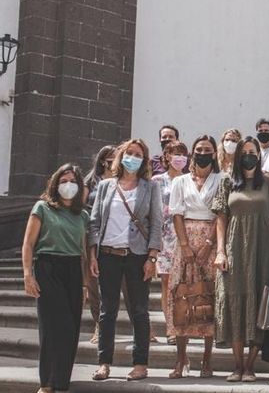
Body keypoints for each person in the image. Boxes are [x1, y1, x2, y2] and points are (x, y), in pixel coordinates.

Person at [212, 137, 269, 383]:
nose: (248, 156)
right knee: (233, 300)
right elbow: (221, 219)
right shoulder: (226, 182)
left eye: (252, 152)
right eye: (244, 152)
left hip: (264, 250)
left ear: (259, 154)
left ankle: (250, 366)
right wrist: (220, 251)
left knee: (261, 304)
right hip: (234, 248)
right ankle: (237, 365)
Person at [88, 139, 163, 382]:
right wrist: (92, 254)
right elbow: (95, 222)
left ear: (144, 159)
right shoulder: (106, 186)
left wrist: (152, 256)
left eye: (138, 154)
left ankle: (140, 363)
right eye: (129, 153)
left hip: (137, 256)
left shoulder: (149, 187)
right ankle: (104, 363)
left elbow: (156, 224)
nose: (133, 157)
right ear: (121, 157)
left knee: (140, 311)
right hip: (108, 255)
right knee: (107, 311)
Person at [22, 163, 90, 393]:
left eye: (72, 181)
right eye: (63, 181)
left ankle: (61, 381)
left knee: (71, 328)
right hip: (47, 267)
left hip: (72, 269)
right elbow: (28, 244)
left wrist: (84, 284)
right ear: (55, 183)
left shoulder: (82, 215)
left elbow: (82, 253)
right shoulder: (42, 208)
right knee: (53, 325)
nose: (68, 185)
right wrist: (27, 274)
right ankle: (47, 383)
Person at [166, 135, 222, 379]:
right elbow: (176, 214)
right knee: (182, 296)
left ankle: (207, 360)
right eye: (198, 149)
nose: (202, 152)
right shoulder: (180, 181)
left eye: (207, 149)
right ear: (192, 153)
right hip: (185, 240)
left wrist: (210, 244)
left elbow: (221, 213)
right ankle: (180, 359)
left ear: (214, 153)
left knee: (208, 294)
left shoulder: (223, 180)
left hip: (211, 240)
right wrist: (185, 244)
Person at [152, 140, 189, 346]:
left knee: (182, 283)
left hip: (184, 236)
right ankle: (170, 326)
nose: (179, 158)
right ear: (166, 156)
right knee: (167, 283)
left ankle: (184, 323)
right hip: (164, 237)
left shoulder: (190, 180)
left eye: (183, 154)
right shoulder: (157, 181)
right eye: (175, 154)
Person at [83, 145, 117, 344]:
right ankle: (98, 324)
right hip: (93, 237)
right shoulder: (90, 181)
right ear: (103, 160)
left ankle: (141, 324)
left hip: (116, 237)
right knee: (93, 284)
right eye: (110, 158)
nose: (114, 161)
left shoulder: (124, 180)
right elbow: (81, 207)